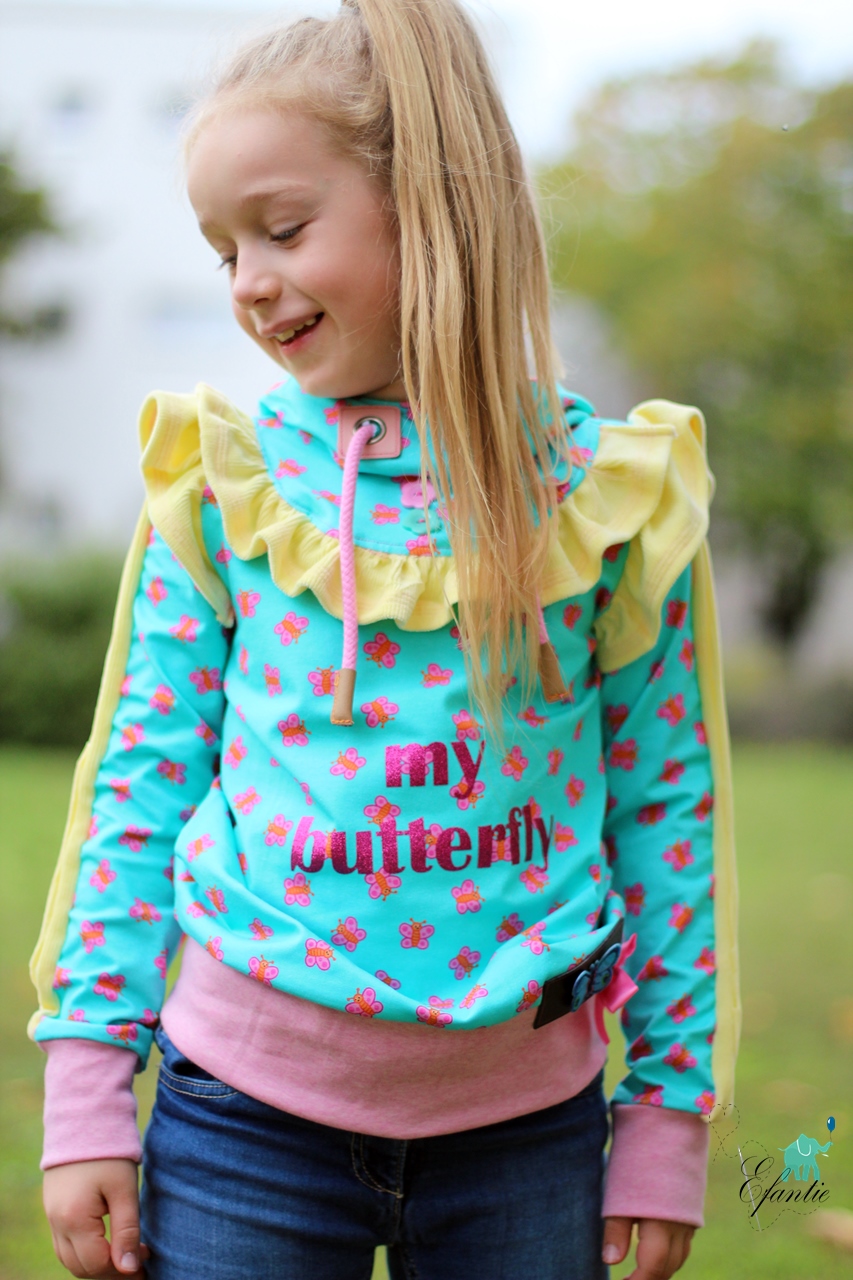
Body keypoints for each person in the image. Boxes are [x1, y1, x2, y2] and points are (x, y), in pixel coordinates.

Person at [29, 2, 740, 1277]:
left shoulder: (605, 498)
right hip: (240, 1120)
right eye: (222, 250)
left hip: (526, 1134)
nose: (247, 281)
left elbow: (664, 813)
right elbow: (139, 784)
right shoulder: (231, 484)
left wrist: (667, 1114)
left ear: (433, 204)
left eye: (282, 228)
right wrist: (87, 1083)